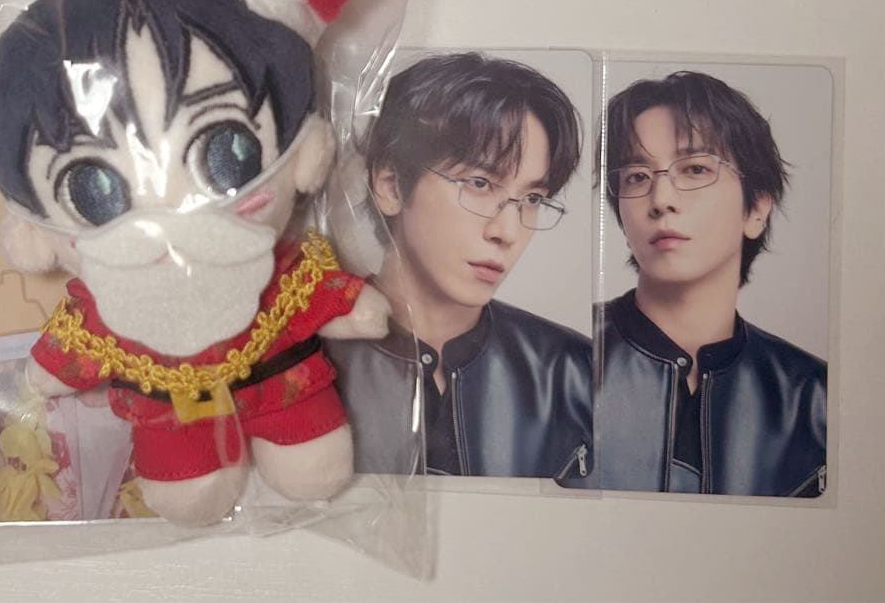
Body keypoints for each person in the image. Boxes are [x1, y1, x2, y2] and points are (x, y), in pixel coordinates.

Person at [326, 52, 592, 479]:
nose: (507, 231)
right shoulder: (306, 360)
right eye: (480, 184)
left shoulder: (574, 373)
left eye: (532, 199)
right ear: (390, 185)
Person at [596, 70, 826, 496]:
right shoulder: (558, 366)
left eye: (696, 169)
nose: (661, 199)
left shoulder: (813, 398)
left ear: (756, 209)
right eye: (637, 176)